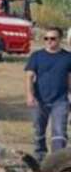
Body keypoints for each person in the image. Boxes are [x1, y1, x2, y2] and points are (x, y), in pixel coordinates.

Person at [24, 27, 71, 161]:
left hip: (60, 101)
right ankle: (40, 157)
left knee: (59, 132)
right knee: (39, 130)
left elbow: (70, 79)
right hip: (40, 100)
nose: (49, 41)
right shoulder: (37, 56)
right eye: (46, 38)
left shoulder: (68, 57)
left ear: (60, 39)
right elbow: (29, 76)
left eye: (52, 38)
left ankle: (57, 161)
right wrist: (29, 95)